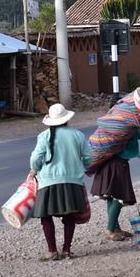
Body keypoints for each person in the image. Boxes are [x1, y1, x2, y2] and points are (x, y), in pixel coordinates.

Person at [30, 103, 92, 261]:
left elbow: (36, 158)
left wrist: (33, 171)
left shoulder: (44, 136)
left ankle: (51, 251)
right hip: (73, 181)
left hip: (48, 181)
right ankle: (66, 250)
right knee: (70, 215)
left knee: (45, 215)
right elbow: (89, 157)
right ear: (66, 119)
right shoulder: (77, 135)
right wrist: (88, 168)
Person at [90, 91, 140, 241]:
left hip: (106, 162)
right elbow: (139, 135)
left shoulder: (108, 121)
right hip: (118, 163)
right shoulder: (126, 123)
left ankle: (116, 228)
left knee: (111, 197)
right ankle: (110, 229)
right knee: (118, 198)